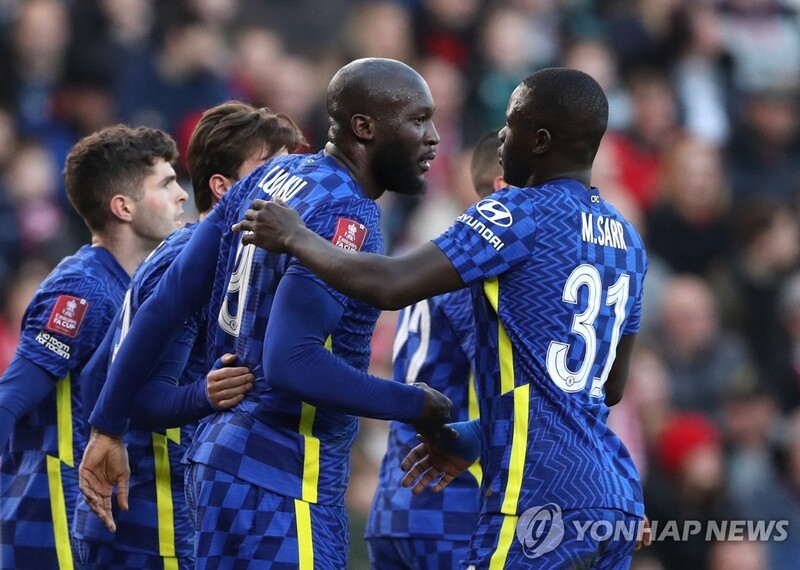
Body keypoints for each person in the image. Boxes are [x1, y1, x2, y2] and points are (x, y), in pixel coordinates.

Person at [233, 67, 650, 567]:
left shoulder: (515, 212)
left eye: (511, 123)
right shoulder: (628, 239)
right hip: (614, 496)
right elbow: (611, 386)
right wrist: (478, 436)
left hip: (537, 494)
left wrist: (298, 237)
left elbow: (390, 285)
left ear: (540, 140)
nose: (501, 137)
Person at [78, 58, 452, 568]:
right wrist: (417, 404)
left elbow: (169, 302)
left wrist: (107, 427)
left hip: (215, 467)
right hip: (280, 477)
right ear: (365, 128)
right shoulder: (348, 212)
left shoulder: (271, 176)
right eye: (418, 120)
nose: (432, 137)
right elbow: (292, 361)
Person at [72, 102, 304, 570]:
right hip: (146, 518)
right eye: (272, 171)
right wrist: (205, 394)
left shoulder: (232, 257)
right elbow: (140, 396)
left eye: (292, 171)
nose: (289, 187)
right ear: (224, 187)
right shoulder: (194, 261)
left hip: (165, 511)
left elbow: (103, 370)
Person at [0, 125, 188, 570]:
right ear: (123, 207)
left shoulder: (137, 286)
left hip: (96, 520)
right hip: (51, 520)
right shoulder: (83, 289)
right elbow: (10, 398)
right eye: (166, 183)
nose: (182, 195)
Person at [365, 130, 505, 569]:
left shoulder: (433, 261)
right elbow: (520, 392)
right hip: (454, 504)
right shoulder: (483, 274)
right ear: (505, 188)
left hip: (395, 500)